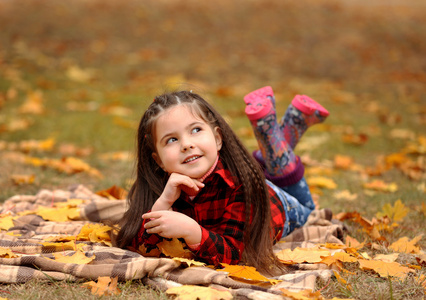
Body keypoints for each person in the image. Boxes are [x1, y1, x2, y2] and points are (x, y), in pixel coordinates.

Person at [114, 88, 328, 275]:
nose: (186, 144)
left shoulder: (242, 186)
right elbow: (140, 248)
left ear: (217, 138)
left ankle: (276, 137)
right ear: (158, 160)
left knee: (307, 206)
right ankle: (276, 133)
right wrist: (162, 204)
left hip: (283, 205)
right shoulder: (163, 186)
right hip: (256, 178)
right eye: (172, 139)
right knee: (271, 166)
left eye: (196, 130)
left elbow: (235, 253)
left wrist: (193, 232)